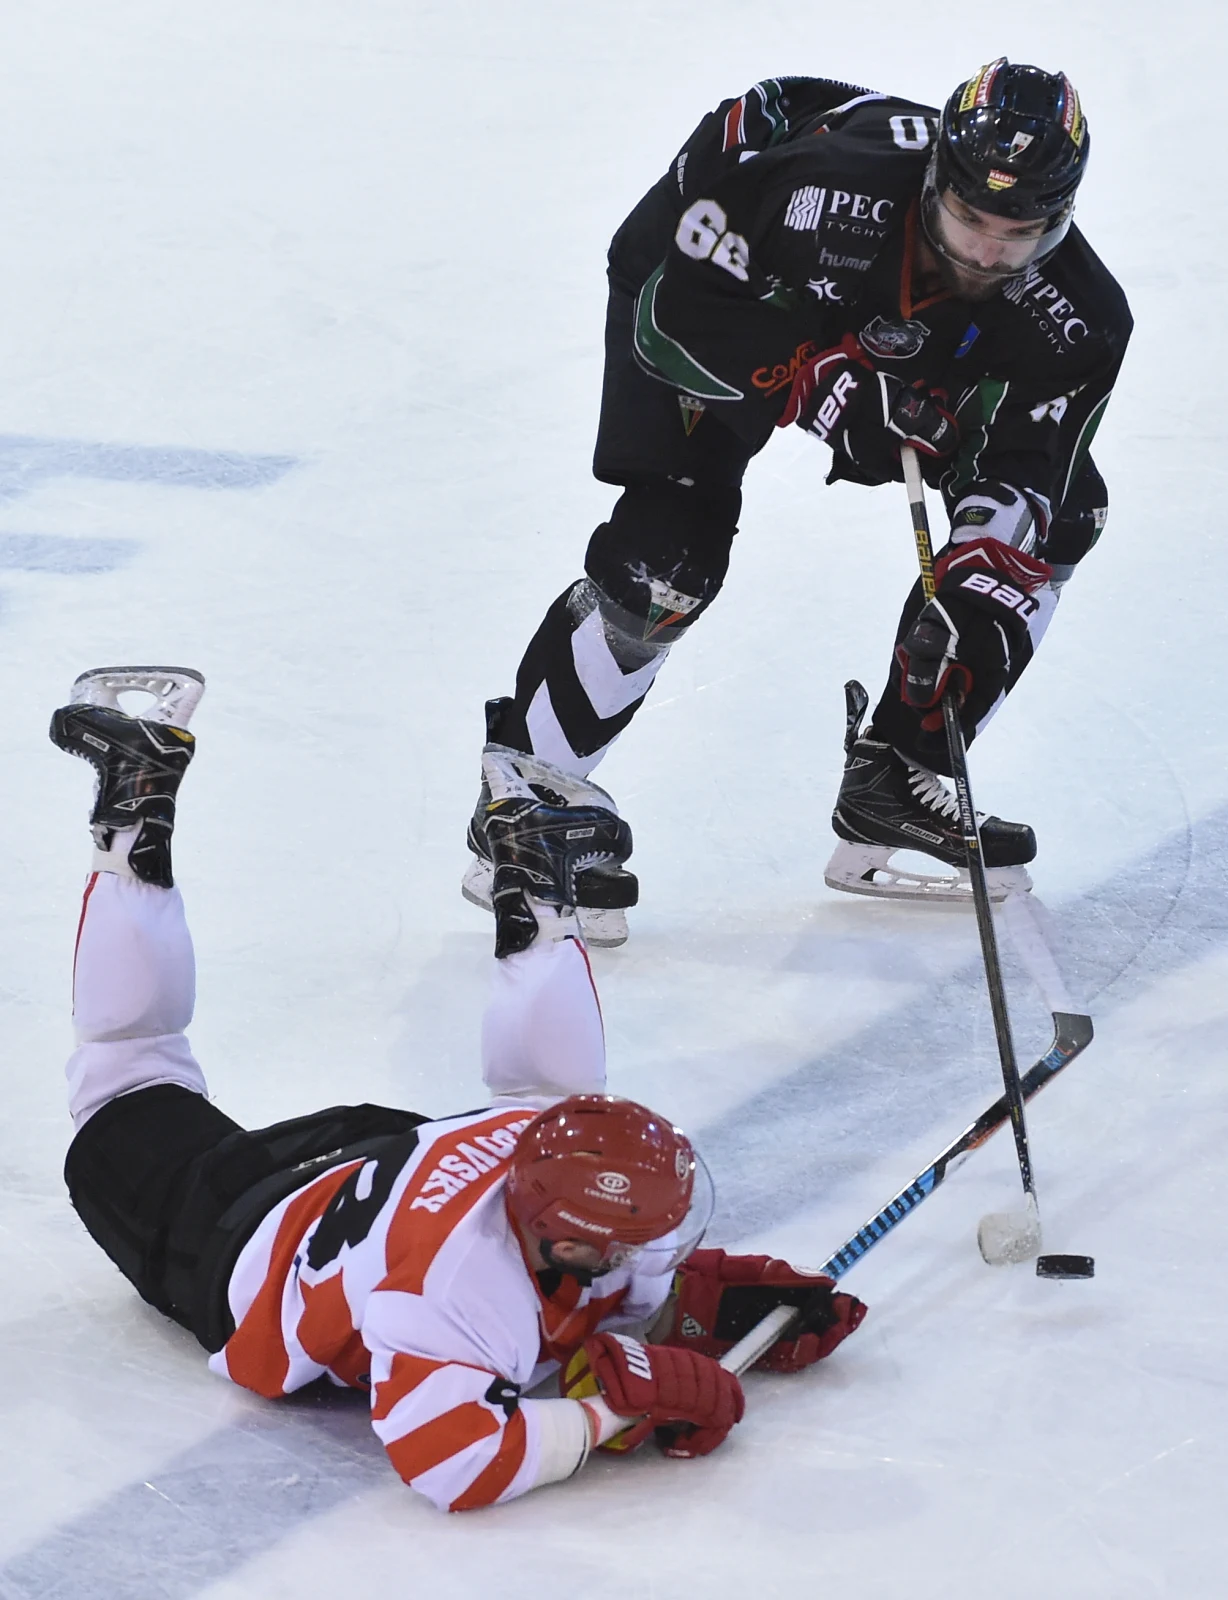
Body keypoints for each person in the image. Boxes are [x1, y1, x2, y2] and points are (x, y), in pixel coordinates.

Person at [50, 666, 865, 1513]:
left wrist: (707, 1301)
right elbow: (450, 1462)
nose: (651, 1253)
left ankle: (541, 902)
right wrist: (602, 1415)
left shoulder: (561, 1162)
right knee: (125, 1076)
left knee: (550, 1098)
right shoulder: (450, 1292)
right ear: (568, 1242)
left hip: (390, 1163)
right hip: (236, 1231)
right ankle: (132, 810)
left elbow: (600, 1258)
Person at [462, 59, 1133, 941]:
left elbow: (1028, 471)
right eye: (967, 217)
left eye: (1018, 232)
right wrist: (816, 381)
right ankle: (528, 793)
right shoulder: (828, 191)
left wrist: (972, 592)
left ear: (1063, 218)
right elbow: (671, 314)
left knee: (1050, 530)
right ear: (935, 177)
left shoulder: (1083, 319)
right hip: (718, 282)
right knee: (673, 553)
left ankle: (899, 773)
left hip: (892, 333)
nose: (983, 249)